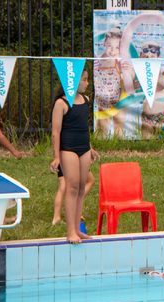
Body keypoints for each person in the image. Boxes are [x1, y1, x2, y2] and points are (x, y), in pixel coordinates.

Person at [50, 69, 99, 244]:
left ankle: (77, 228)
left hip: (84, 148)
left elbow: (84, 127)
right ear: (72, 82)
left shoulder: (85, 100)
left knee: (80, 188)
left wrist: (90, 148)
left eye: (87, 80)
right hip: (68, 148)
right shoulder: (61, 103)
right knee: (71, 187)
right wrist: (56, 157)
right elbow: (56, 133)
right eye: (84, 80)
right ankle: (70, 231)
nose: (87, 83)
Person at [92, 27, 125, 138]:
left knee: (119, 124)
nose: (112, 50)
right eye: (110, 46)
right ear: (104, 43)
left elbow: (127, 78)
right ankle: (102, 143)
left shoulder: (120, 61)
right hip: (102, 100)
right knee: (102, 124)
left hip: (118, 99)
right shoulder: (98, 61)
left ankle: (120, 144)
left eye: (117, 48)